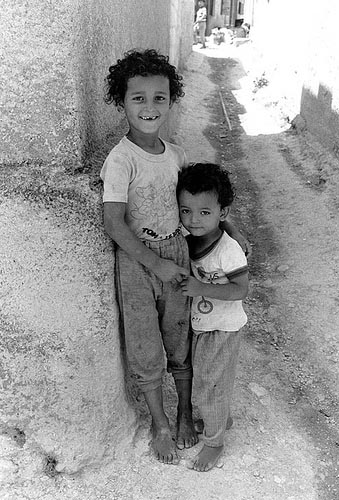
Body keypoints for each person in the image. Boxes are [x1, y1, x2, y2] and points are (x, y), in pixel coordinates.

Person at [100, 49, 250, 465]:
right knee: (146, 346)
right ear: (121, 101)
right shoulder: (121, 160)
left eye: (159, 97)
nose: (150, 107)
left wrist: (231, 230)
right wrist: (155, 263)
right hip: (137, 263)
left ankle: (185, 412)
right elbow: (114, 224)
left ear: (171, 99)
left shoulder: (177, 155)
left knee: (180, 337)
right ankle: (161, 424)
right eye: (138, 98)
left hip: (176, 254)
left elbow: (198, 207)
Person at [177, 162, 249, 472]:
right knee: (207, 381)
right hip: (204, 325)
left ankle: (214, 443)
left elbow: (239, 290)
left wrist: (199, 287)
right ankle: (218, 417)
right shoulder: (190, 237)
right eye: (186, 211)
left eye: (204, 212)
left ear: (223, 213)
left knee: (212, 383)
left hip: (223, 328)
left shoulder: (228, 250)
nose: (194, 220)